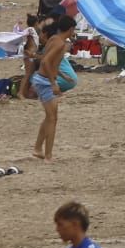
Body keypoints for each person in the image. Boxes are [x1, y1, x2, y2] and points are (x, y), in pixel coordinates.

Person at [31, 15, 76, 162]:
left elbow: (51, 62)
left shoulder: (54, 39)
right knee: (52, 118)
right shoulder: (60, 44)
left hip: (42, 79)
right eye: (73, 29)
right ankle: (48, 156)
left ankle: (38, 149)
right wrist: (53, 83)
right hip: (44, 82)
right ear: (70, 29)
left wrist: (63, 75)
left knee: (50, 117)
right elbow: (45, 62)